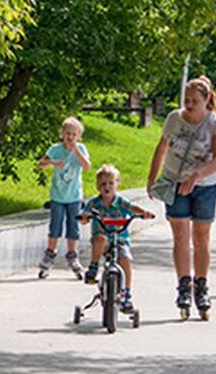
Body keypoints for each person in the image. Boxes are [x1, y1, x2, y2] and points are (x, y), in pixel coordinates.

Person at [147, 76, 216, 319]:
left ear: (206, 101)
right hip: (175, 181)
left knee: (201, 236)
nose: (189, 105)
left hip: (204, 185)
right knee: (180, 233)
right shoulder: (174, 118)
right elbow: (161, 148)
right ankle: (183, 286)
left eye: (194, 101)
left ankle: (201, 286)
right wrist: (152, 178)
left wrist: (196, 176)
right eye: (186, 100)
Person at [79, 164, 155, 312]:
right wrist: (84, 217)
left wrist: (144, 213)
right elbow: (85, 213)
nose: (107, 187)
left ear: (117, 184)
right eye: (102, 184)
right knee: (101, 238)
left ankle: (126, 293)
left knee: (125, 259)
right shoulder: (94, 203)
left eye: (111, 183)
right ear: (97, 187)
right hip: (102, 240)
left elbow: (133, 207)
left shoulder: (121, 201)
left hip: (120, 239)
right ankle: (93, 267)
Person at [38, 116, 91, 278]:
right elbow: (41, 164)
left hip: (74, 197)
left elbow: (87, 166)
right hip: (57, 197)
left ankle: (72, 256)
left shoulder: (80, 149)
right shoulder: (55, 149)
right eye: (68, 133)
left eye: (74, 134)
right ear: (62, 134)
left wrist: (76, 151)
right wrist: (54, 163)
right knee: (55, 227)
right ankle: (50, 255)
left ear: (79, 136)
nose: (70, 137)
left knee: (73, 228)